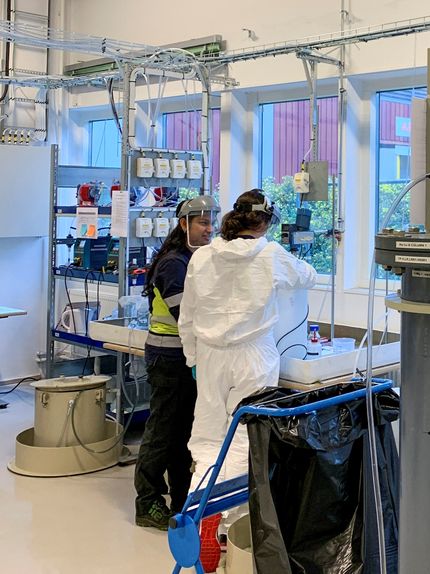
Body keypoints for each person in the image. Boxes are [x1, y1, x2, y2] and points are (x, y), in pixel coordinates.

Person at [179, 189, 316, 570]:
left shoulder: (202, 257)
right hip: (253, 356)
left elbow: (186, 316)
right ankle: (226, 524)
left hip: (209, 356)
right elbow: (310, 275)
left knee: (206, 437)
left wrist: (193, 358)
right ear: (266, 223)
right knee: (243, 438)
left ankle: (199, 509)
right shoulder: (270, 255)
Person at [134, 196, 220, 531]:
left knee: (182, 433)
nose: (208, 229)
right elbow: (186, 316)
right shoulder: (174, 264)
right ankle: (148, 502)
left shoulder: (195, 260)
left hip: (184, 360)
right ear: (183, 224)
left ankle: (182, 501)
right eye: (202, 223)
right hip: (168, 359)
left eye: (211, 222)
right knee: (162, 433)